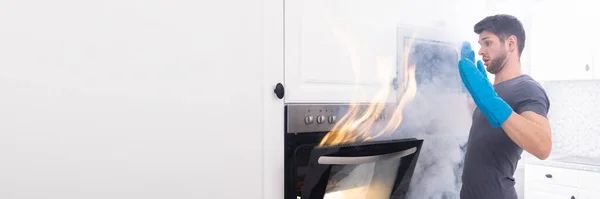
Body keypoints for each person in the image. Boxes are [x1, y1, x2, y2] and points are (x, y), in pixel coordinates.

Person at [457, 14, 552, 199]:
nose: (481, 51)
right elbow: (488, 129)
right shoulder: (493, 89)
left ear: (510, 43)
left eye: (487, 43)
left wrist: (491, 101)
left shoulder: (527, 88)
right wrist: (472, 91)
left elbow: (543, 147)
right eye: (480, 44)